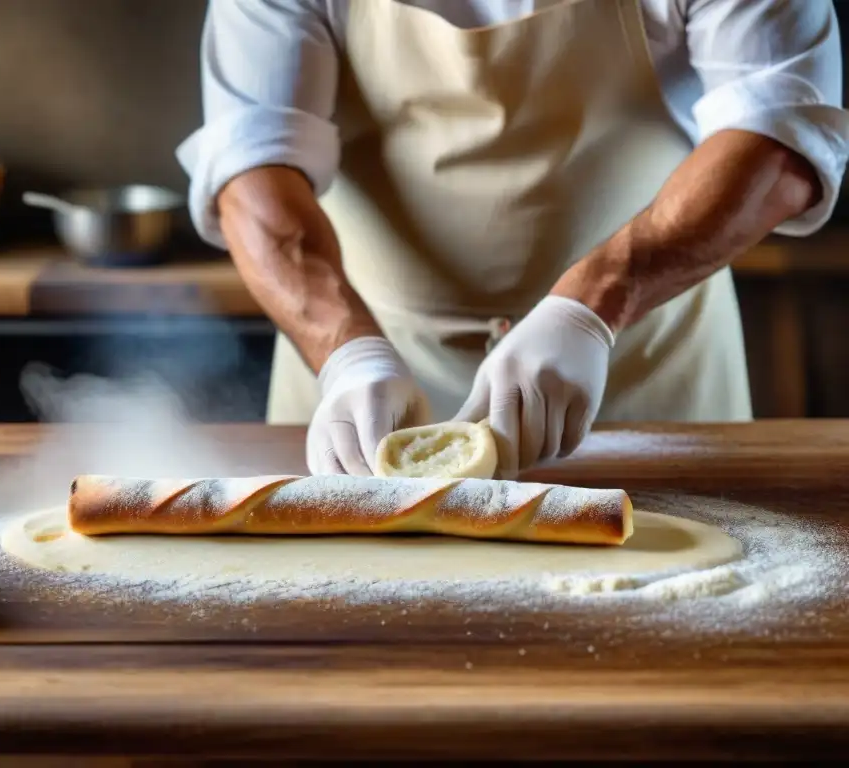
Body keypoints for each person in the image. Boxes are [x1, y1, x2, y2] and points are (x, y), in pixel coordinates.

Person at [178, 0, 848, 478]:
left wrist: (590, 307)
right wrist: (348, 357)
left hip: (642, 363)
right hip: (359, 382)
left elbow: (780, 137)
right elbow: (252, 167)